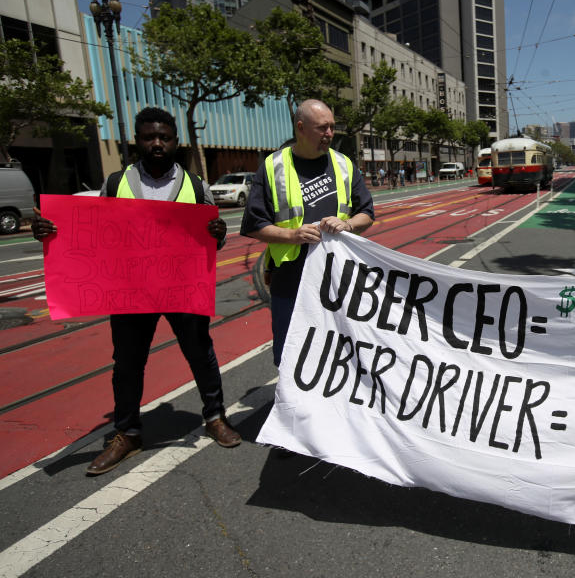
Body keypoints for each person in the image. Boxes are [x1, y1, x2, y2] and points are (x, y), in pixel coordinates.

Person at [31, 107, 240, 476]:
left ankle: (214, 416)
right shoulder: (114, 183)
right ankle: (127, 433)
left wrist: (218, 236)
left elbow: (211, 239)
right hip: (130, 292)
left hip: (182, 289)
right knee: (127, 364)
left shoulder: (196, 186)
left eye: (164, 137)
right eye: (149, 137)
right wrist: (50, 230)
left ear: (176, 141)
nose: (157, 143)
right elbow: (90, 235)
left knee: (200, 354)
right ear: (138, 140)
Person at [241, 99, 374, 367]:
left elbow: (367, 214)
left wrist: (347, 225)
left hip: (338, 280)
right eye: (322, 128)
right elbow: (254, 224)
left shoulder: (344, 165)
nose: (329, 134)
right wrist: (293, 236)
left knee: (341, 352)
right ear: (300, 128)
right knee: (291, 353)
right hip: (291, 281)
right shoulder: (273, 167)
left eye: (332, 127)